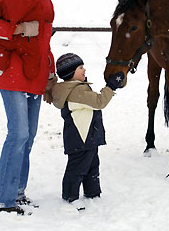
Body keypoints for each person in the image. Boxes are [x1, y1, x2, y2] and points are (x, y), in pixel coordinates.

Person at [0, 0, 57, 215]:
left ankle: (18, 191)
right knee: (18, 133)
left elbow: (45, 39)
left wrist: (51, 72)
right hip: (11, 70)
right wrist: (18, 29)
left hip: (36, 71)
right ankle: (3, 199)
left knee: (29, 136)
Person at [52, 53, 124, 211]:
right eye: (80, 67)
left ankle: (93, 193)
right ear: (71, 73)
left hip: (87, 136)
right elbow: (99, 102)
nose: (84, 69)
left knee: (92, 165)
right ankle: (70, 197)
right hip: (80, 138)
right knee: (77, 168)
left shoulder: (76, 88)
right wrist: (110, 87)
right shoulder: (75, 91)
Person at [0, 0, 42, 79]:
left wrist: (13, 29)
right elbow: (39, 23)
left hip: (5, 40)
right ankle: (32, 74)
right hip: (25, 40)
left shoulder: (1, 0)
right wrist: (16, 29)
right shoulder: (35, 2)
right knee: (32, 57)